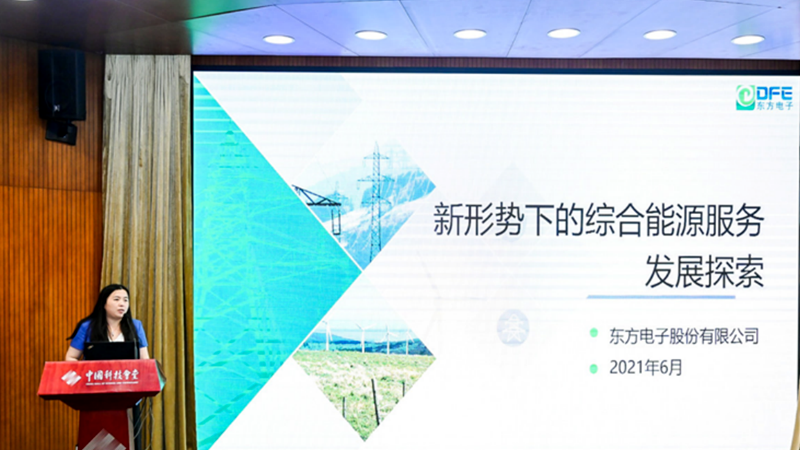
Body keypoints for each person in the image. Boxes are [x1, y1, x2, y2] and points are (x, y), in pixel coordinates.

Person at [65, 284, 149, 360]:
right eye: (116, 299)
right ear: (104, 303)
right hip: (96, 372)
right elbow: (71, 357)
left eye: (125, 300)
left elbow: (144, 359)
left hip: (127, 372)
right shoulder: (87, 327)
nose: (122, 304)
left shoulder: (135, 326)